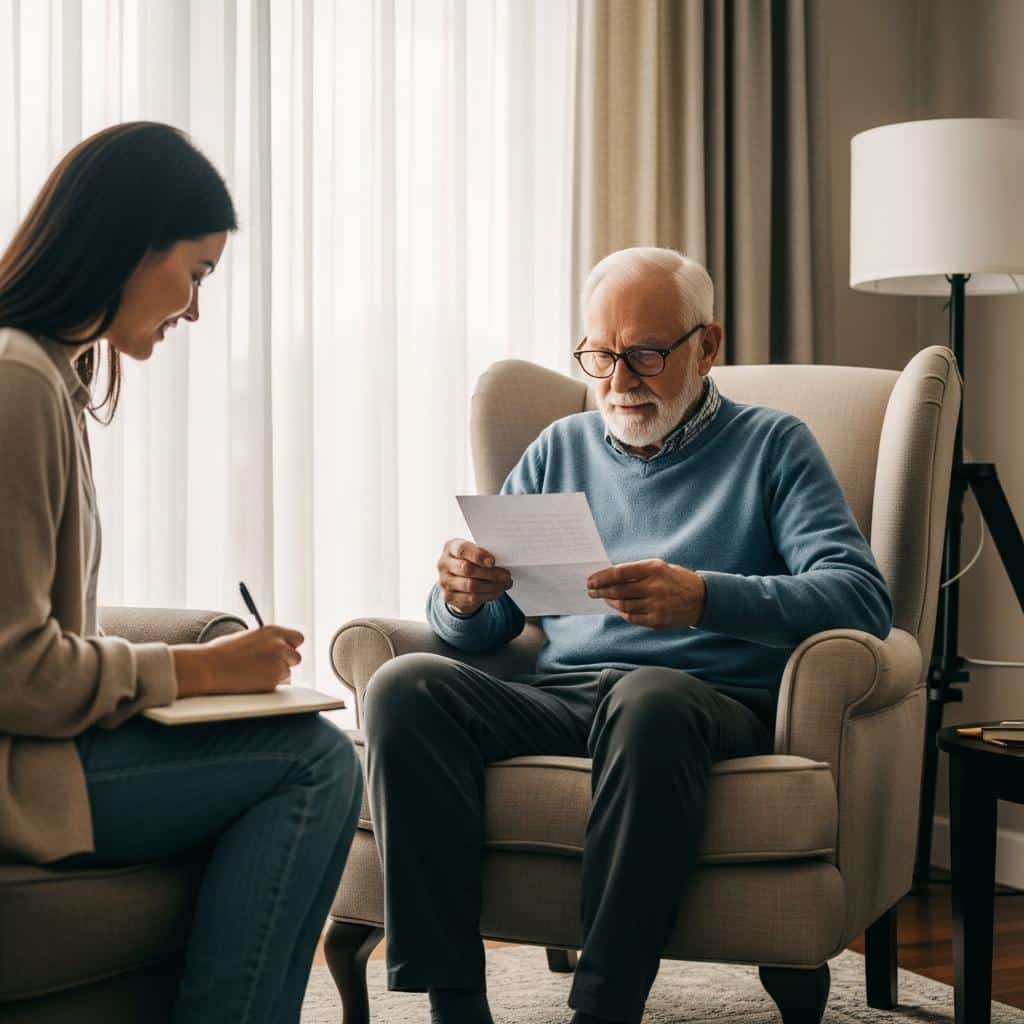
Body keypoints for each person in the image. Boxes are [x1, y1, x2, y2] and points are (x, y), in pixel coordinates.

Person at [363, 247, 893, 1024]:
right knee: (402, 688)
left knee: (650, 699)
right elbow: (485, 629)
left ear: (708, 347)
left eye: (644, 354)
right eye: (600, 355)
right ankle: (454, 1002)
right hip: (567, 696)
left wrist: (704, 598)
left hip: (702, 704)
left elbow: (861, 599)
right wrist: (462, 599)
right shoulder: (559, 448)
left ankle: (604, 1008)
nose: (617, 380)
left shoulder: (774, 447)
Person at [0, 122, 362, 1024]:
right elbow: (13, 671)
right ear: (128, 244)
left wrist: (197, 676)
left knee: (300, 754)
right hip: (19, 769)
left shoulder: (46, 374)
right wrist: (197, 672)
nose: (196, 308)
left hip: (41, 751)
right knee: (315, 763)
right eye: (196, 273)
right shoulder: (18, 382)